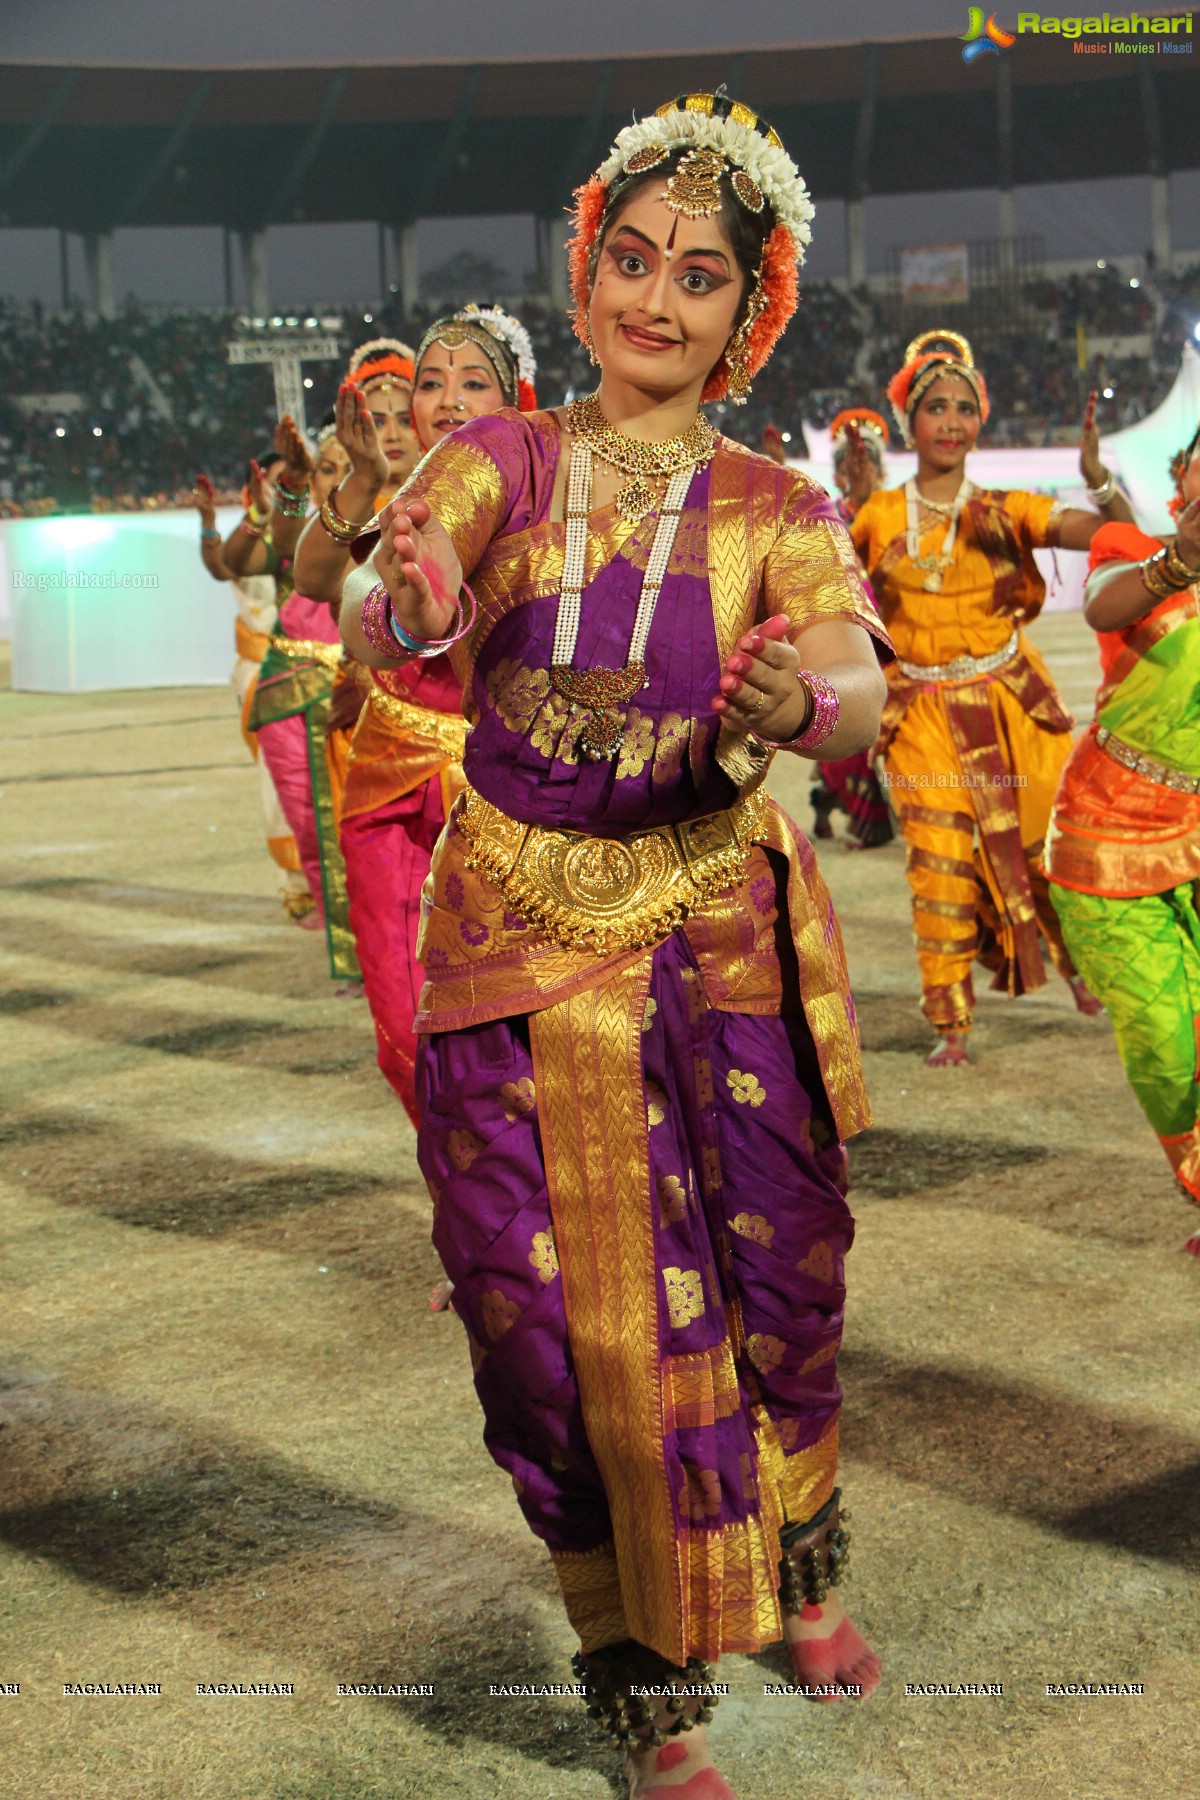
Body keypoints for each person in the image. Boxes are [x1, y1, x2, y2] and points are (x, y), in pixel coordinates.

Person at [341, 92, 890, 1800]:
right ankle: (651, 1705)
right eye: (632, 261)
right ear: (584, 277)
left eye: (703, 276)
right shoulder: (498, 457)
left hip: (716, 933)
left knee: (775, 1288)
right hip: (510, 938)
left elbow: (856, 687)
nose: (659, 300)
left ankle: (802, 1574)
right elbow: (389, 596)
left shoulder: (776, 501)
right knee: (540, 1325)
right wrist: (410, 598)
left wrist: (815, 702)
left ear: (753, 311)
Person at [848, 334, 1131, 1066]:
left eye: (965, 408)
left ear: (982, 423)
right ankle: (951, 1021)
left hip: (1012, 701)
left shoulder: (1007, 508)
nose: (950, 419)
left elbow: (1096, 534)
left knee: (1048, 850)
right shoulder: (875, 517)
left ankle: (1081, 971)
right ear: (910, 421)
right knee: (937, 857)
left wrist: (1102, 489)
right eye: (935, 406)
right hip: (920, 714)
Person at [326, 308, 538, 1131]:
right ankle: (481, 1219)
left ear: (515, 401)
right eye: (431, 384)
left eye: (472, 383)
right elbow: (323, 578)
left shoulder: (550, 514)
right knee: (406, 1036)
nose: (448, 401)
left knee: (506, 1035)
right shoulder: (393, 502)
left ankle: (531, 1223)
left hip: (503, 800)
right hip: (388, 790)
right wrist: (355, 471)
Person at [1046, 424, 1200, 1252]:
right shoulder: (1143, 550)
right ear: (1184, 474)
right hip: (1108, 846)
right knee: (1166, 1041)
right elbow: (1104, 598)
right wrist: (1179, 560)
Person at [243, 416, 366, 987]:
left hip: (356, 692)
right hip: (289, 690)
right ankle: (346, 951)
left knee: (359, 830)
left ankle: (380, 946)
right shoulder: (305, 531)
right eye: (326, 469)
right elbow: (271, 554)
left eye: (347, 468)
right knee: (308, 824)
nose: (336, 479)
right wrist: (290, 484)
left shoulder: (392, 519)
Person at [191, 467, 313, 923]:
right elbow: (220, 567)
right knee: (277, 778)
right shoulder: (249, 536)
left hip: (311, 668)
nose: (282, 485)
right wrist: (208, 524)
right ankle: (296, 884)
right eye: (273, 478)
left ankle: (323, 878)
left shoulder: (312, 529)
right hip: (260, 672)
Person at [810, 409, 894, 850]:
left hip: (892, 637)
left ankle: (874, 823)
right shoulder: (828, 512)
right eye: (846, 465)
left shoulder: (896, 512)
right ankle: (834, 812)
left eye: (863, 464)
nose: (854, 472)